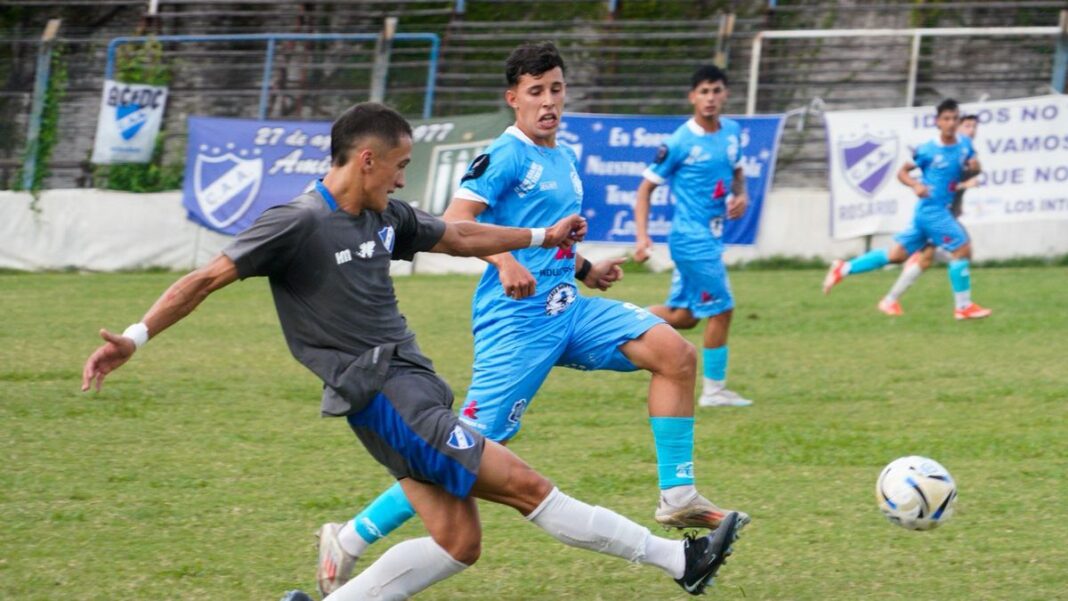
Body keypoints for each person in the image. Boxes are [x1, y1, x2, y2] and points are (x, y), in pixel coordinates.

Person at [81, 102, 743, 599]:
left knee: (460, 542)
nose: (402, 180)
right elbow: (204, 279)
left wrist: (542, 236)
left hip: (413, 388)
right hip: (387, 400)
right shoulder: (298, 222)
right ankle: (680, 561)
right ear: (365, 159)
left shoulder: (382, 217)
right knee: (527, 486)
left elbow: (456, 235)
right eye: (398, 166)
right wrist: (134, 339)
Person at [315, 43, 749, 596]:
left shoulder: (562, 157)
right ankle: (351, 537)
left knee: (674, 354)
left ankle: (678, 497)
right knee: (466, 444)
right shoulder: (506, 155)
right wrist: (504, 258)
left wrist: (586, 268)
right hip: (515, 320)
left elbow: (548, 233)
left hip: (567, 309)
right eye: (536, 92)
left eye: (557, 89)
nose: (549, 102)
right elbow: (456, 221)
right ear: (513, 98)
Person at [632, 65, 752, 409]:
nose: (710, 98)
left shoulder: (732, 131)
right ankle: (714, 391)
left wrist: (741, 196)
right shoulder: (679, 142)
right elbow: (644, 190)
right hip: (690, 238)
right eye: (704, 92)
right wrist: (642, 237)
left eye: (716, 90)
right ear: (692, 97)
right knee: (723, 309)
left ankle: (618, 324)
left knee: (684, 316)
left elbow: (738, 169)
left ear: (725, 94)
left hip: (711, 236)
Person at [823, 99, 991, 320]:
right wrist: (915, 185)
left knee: (897, 255)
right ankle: (963, 307)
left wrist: (974, 168)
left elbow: (971, 167)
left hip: (931, 212)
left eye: (954, 119)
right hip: (933, 210)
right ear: (938, 122)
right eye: (946, 119)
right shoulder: (928, 150)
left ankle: (843, 268)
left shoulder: (965, 145)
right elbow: (902, 172)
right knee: (962, 249)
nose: (951, 123)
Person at [877, 114, 981, 316]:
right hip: (938, 216)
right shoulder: (943, 151)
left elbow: (969, 173)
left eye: (974, 126)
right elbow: (943, 182)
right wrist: (964, 184)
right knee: (957, 252)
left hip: (947, 215)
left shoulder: (966, 152)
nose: (972, 130)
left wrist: (973, 169)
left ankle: (890, 299)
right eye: (967, 125)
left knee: (923, 258)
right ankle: (962, 307)